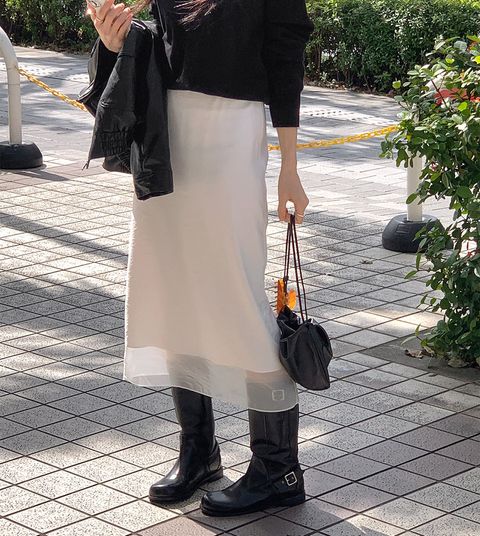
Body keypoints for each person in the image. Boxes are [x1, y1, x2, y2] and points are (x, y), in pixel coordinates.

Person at [86, 0, 313, 517]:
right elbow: (162, 42)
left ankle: (278, 468)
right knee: (173, 289)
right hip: (163, 134)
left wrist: (290, 166)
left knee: (239, 295)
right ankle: (199, 452)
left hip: (229, 135)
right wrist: (115, 39)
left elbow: (285, 56)